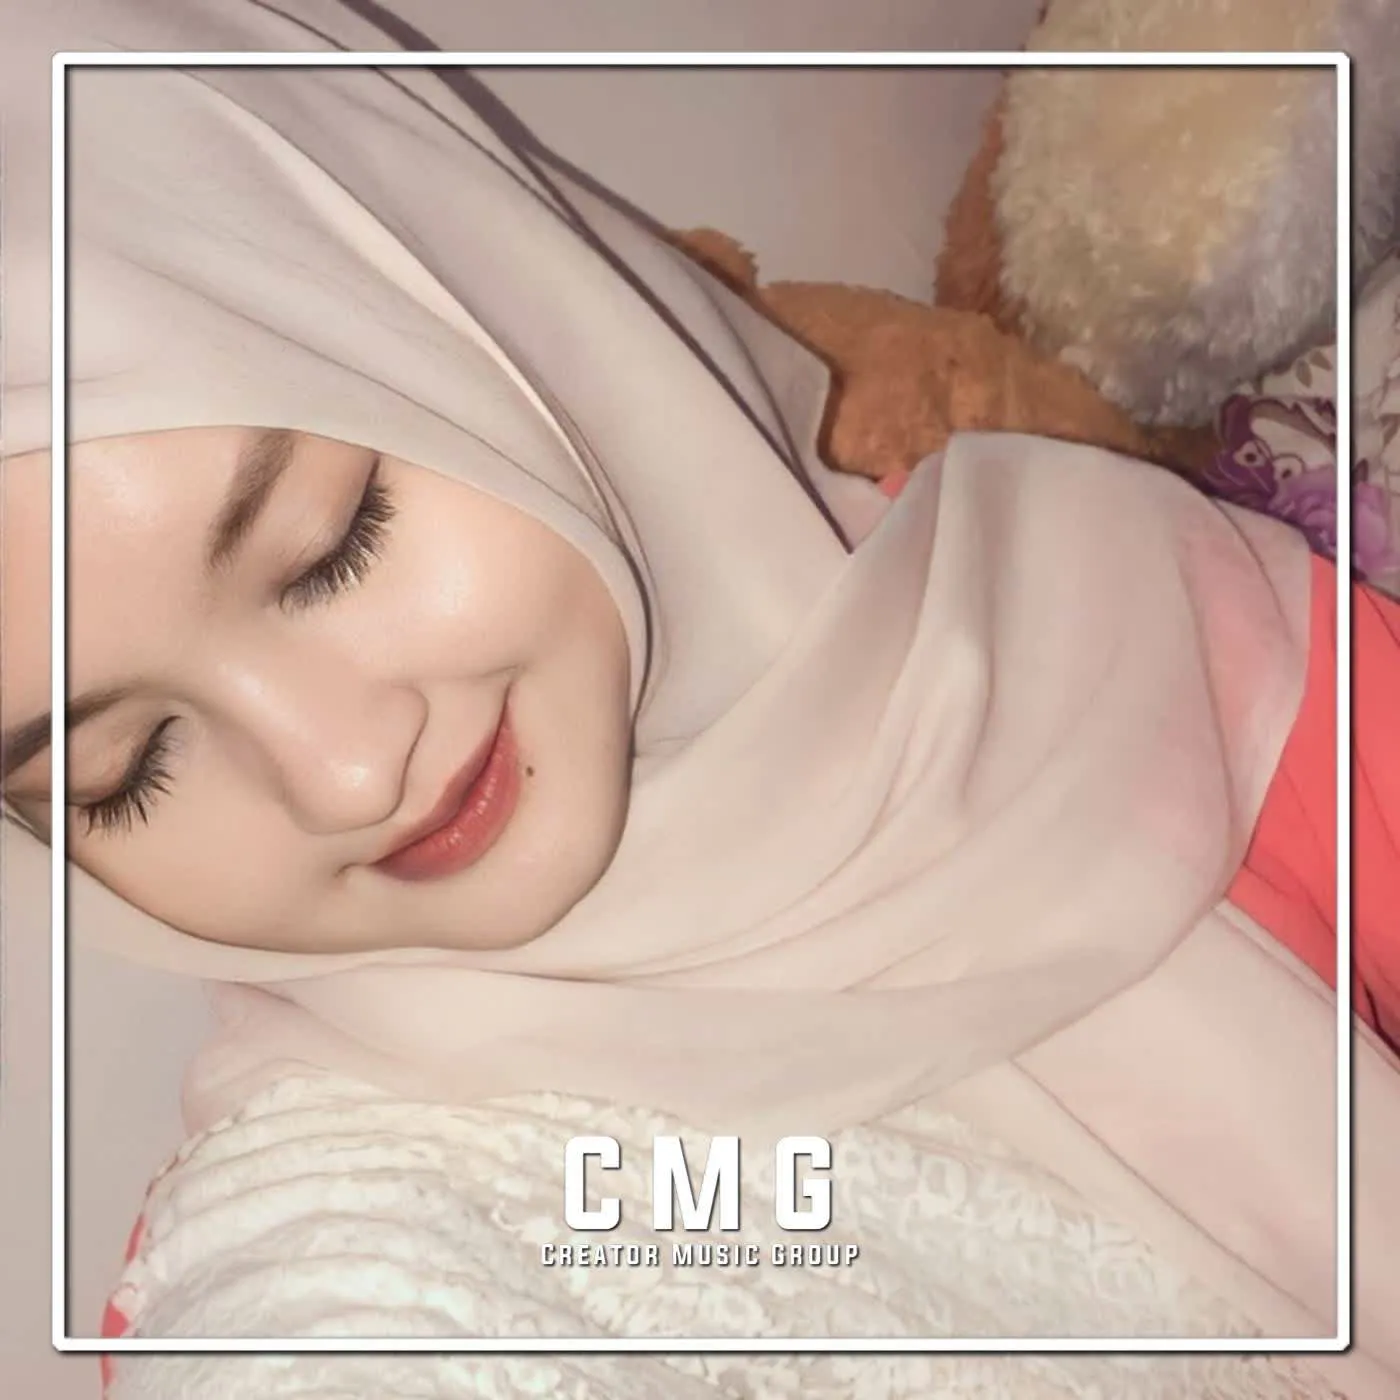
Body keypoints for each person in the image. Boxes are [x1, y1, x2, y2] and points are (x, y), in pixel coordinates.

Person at [2, 0, 1398, 1390]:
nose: (345, 776)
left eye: (334, 545)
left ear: (500, 311)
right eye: (120, 769)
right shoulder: (315, 1247)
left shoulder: (1103, 610)